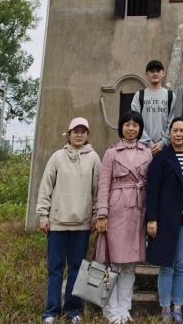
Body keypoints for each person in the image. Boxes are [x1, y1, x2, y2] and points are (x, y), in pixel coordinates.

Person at [36, 116, 101, 324]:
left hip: (82, 224)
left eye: (83, 131)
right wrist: (42, 215)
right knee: (55, 269)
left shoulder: (93, 158)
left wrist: (96, 214)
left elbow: (98, 190)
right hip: (57, 223)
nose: (79, 134)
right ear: (69, 133)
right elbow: (45, 188)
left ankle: (73, 310)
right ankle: (51, 311)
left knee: (76, 268)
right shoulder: (57, 157)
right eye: (76, 131)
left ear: (87, 135)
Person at [96, 111, 153, 324]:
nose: (131, 129)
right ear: (121, 128)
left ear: (140, 128)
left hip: (138, 210)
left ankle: (124, 309)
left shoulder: (147, 153)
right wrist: (102, 213)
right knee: (113, 264)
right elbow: (103, 185)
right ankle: (110, 310)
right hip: (116, 210)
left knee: (130, 265)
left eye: (135, 125)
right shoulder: (111, 153)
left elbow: (150, 184)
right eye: (127, 125)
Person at [146, 117, 183, 324]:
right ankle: (164, 308)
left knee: (180, 264)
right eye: (175, 130)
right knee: (166, 265)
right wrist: (151, 219)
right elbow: (152, 190)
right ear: (169, 133)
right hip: (165, 220)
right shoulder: (161, 158)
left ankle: (178, 307)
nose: (179, 134)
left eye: (182, 130)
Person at [131, 59, 175, 155]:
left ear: (163, 73)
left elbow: (173, 121)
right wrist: (149, 143)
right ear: (146, 74)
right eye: (151, 71)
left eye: (158, 71)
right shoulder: (139, 95)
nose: (155, 73)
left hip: (165, 148)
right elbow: (135, 122)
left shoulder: (170, 95)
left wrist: (163, 142)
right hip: (142, 148)